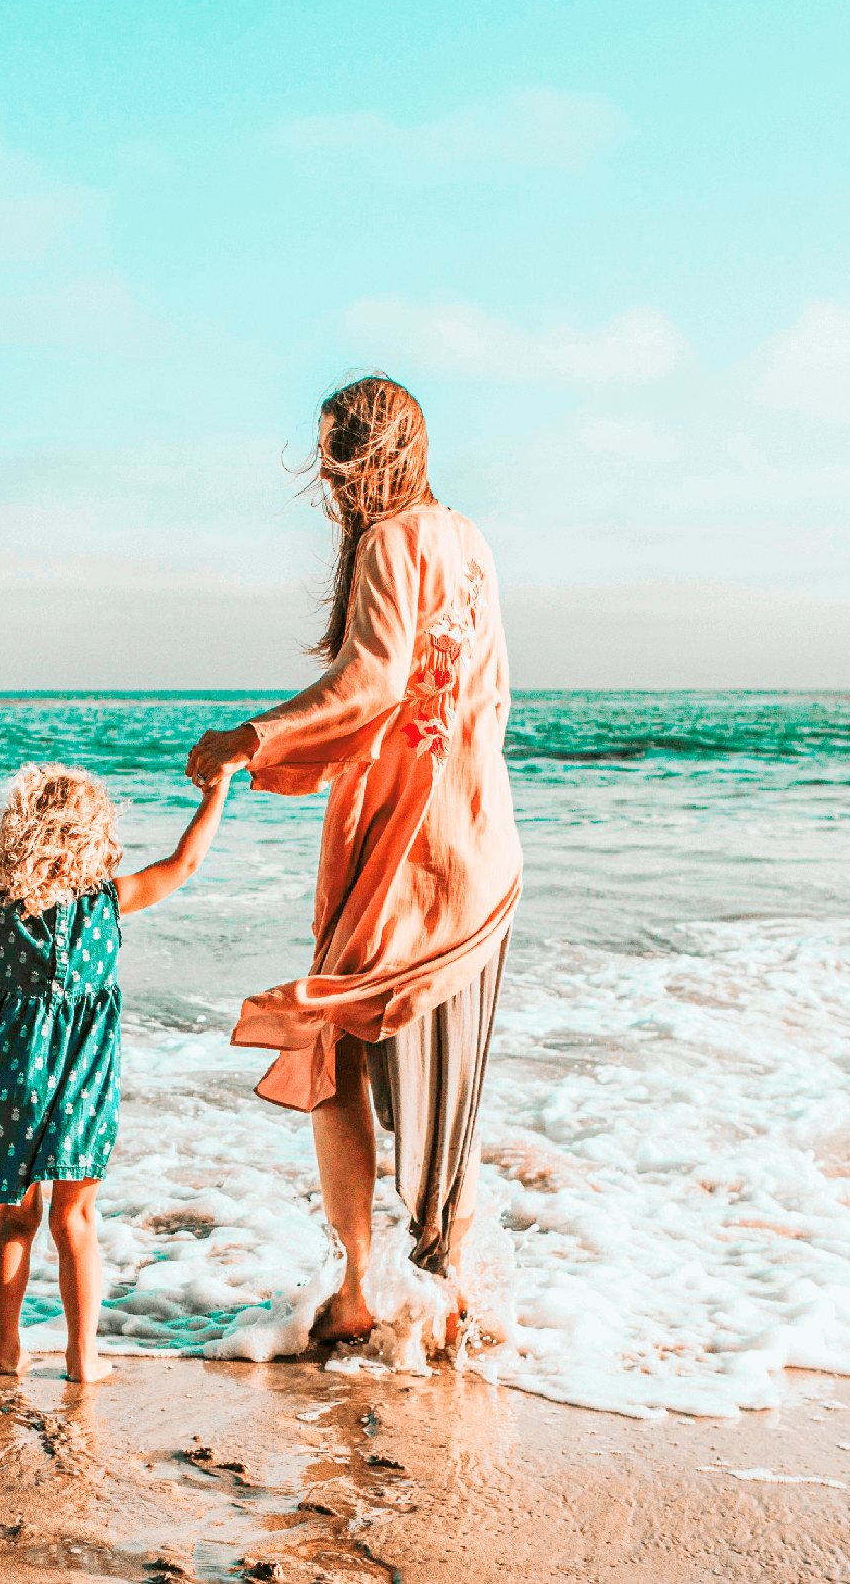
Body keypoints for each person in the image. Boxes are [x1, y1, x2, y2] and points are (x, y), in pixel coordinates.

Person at [184, 374, 521, 1347]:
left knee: (334, 1053)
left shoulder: (389, 540)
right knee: (439, 1083)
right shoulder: (467, 539)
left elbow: (371, 682)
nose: (330, 492)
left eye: (334, 464)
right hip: (482, 840)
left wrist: (248, 739)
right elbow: (477, 696)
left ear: (357, 463)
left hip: (404, 851)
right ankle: (442, 1292)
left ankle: (361, 1290)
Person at [0, 762, 234, 1382]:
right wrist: (217, 795)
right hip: (84, 1079)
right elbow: (185, 864)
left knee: (15, 1218)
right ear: (95, 835)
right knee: (75, 1219)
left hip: (13, 1076)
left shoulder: (1, 907)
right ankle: (81, 1357)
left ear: (18, 833)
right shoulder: (111, 899)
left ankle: (5, 1352)